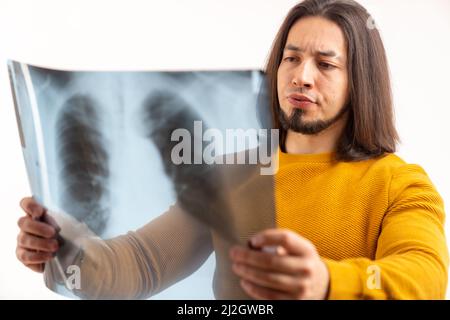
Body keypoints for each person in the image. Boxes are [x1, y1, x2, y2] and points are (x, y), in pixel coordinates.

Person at [16, 0, 448, 299]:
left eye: (326, 64)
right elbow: (138, 265)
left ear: (361, 82)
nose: (302, 76)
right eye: (291, 58)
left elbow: (426, 276)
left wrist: (326, 283)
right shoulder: (232, 175)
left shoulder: (397, 183)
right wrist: (65, 247)